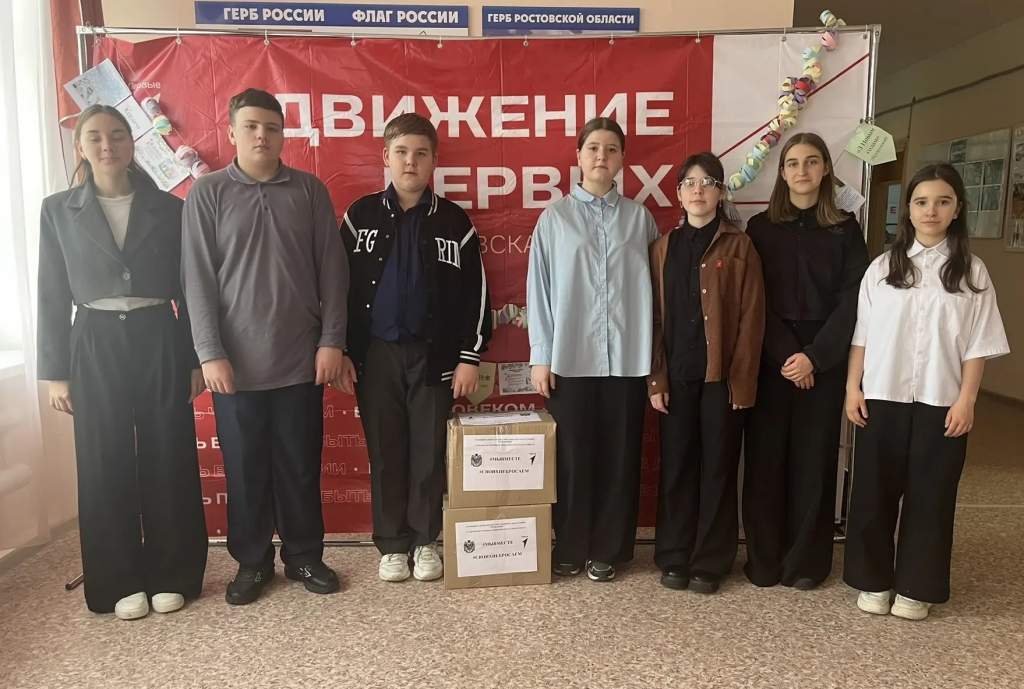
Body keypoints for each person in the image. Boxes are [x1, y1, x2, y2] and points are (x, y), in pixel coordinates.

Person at [37, 104, 207, 620]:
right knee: (102, 458)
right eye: (94, 137)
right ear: (80, 147)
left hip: (158, 334)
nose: (107, 145)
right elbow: (51, 294)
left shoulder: (170, 208)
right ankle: (116, 579)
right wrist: (55, 371)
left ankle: (173, 573)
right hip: (93, 338)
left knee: (168, 451)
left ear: (133, 143)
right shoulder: (57, 210)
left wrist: (195, 358)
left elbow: (190, 290)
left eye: (117, 135)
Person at [181, 88, 351, 605]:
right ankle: (252, 562)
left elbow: (333, 272)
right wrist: (210, 352)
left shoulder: (309, 191)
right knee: (245, 469)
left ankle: (304, 556)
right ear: (231, 132)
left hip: (301, 359)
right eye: (252, 126)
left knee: (300, 465)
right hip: (235, 367)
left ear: (283, 135)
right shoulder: (207, 193)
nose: (262, 136)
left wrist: (332, 341)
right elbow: (197, 280)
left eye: (272, 127)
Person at [843, 163, 1009, 620]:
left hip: (942, 400)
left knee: (931, 496)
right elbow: (862, 335)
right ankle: (873, 581)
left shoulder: (972, 272)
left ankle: (917, 587)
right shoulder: (882, 268)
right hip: (882, 396)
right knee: (873, 493)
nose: (930, 211)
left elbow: (978, 344)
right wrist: (853, 388)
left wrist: (967, 399)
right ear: (908, 210)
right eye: (921, 202)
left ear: (957, 209)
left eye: (942, 202)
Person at [340, 113, 491, 582]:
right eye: (402, 152)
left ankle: (426, 541)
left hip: (434, 357)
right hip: (375, 355)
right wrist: (341, 350)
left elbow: (477, 294)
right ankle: (392, 545)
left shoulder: (454, 221)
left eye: (421, 153)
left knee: (427, 451)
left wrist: (469, 355)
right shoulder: (359, 216)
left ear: (434, 162)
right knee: (386, 453)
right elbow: (336, 288)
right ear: (385, 157)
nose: (411, 161)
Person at [526, 117, 659, 582]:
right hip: (571, 358)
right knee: (573, 458)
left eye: (612, 149)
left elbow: (657, 291)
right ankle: (570, 545)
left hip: (628, 358)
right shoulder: (554, 219)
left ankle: (608, 549)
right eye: (594, 148)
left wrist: (656, 361)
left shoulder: (640, 219)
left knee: (619, 459)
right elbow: (539, 290)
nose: (602, 156)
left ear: (623, 159)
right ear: (579, 156)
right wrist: (541, 355)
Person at [742, 132, 868, 590]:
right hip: (772, 357)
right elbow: (754, 298)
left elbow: (854, 299)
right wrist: (787, 355)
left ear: (825, 170)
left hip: (825, 359)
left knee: (813, 463)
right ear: (781, 172)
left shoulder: (846, 228)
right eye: (793, 163)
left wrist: (814, 357)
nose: (802, 171)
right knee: (765, 462)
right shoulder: (759, 228)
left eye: (812, 162)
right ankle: (764, 561)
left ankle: (807, 564)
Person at [648, 152, 765, 594]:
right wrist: (657, 378)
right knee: (677, 467)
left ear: (721, 192)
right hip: (677, 378)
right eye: (689, 183)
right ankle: (673, 555)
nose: (698, 190)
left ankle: (711, 562)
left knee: (718, 469)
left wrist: (742, 381)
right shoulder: (663, 248)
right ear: (678, 194)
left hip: (722, 380)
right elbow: (654, 319)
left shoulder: (740, 246)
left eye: (707, 182)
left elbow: (752, 318)